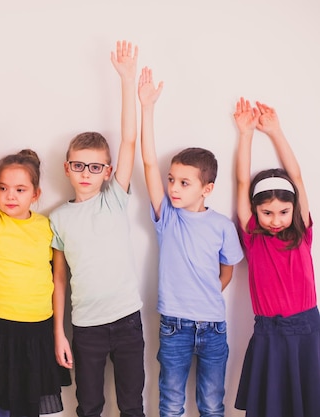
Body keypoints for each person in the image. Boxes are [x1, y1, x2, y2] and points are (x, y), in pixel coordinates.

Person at [138, 67, 244, 417]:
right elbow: (149, 163)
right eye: (172, 180)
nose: (173, 188)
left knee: (212, 403)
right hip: (174, 326)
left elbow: (227, 268)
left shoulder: (221, 226)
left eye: (184, 182)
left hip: (213, 326)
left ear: (206, 188)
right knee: (170, 400)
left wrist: (211, 289)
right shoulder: (167, 217)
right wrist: (147, 108)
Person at [50, 40, 145, 417]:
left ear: (107, 172)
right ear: (67, 167)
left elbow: (130, 140)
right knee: (88, 406)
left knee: (131, 405)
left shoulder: (114, 198)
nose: (86, 173)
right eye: (78, 165)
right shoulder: (57, 218)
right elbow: (59, 280)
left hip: (127, 321)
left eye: (95, 167)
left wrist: (126, 80)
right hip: (85, 327)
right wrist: (59, 332)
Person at [0, 108, 69, 417]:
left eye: (20, 190)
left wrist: (59, 333)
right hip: (0, 330)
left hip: (38, 330)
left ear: (35, 194)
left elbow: (58, 279)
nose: (9, 196)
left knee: (29, 407)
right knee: (4, 407)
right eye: (3, 188)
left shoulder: (47, 226)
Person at [232, 97, 320, 417]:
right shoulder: (254, 237)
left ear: (294, 209)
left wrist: (276, 132)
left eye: (283, 211)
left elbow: (296, 178)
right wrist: (246, 135)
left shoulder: (302, 234)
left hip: (308, 331)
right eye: (267, 212)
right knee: (271, 405)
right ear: (256, 211)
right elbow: (243, 183)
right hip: (269, 333)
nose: (275, 219)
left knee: (308, 403)